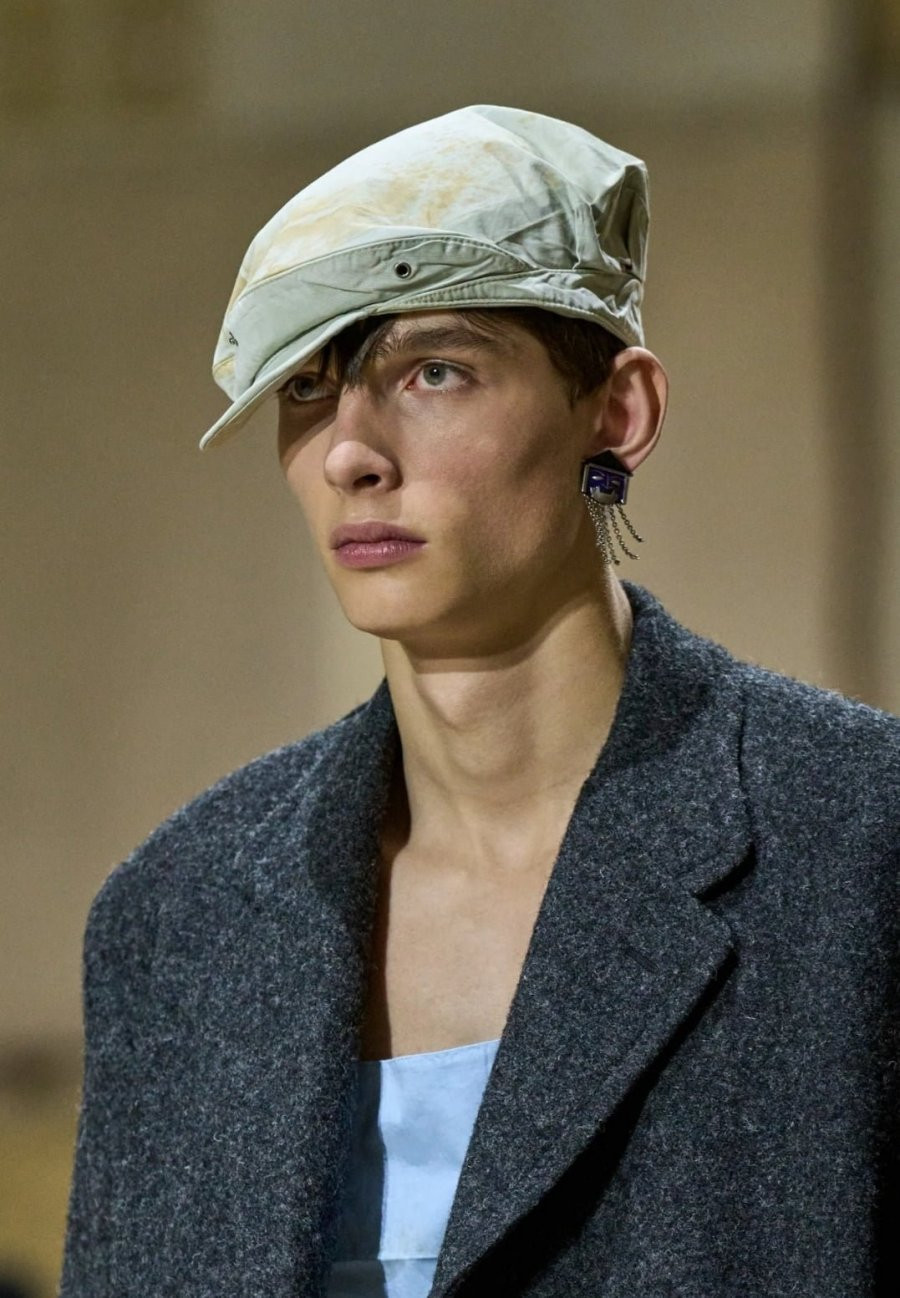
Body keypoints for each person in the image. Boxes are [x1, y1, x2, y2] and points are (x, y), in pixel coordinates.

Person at [60, 105, 898, 1298]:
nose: (350, 452)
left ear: (618, 412)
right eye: (307, 387)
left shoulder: (859, 844)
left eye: (434, 371)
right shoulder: (176, 916)